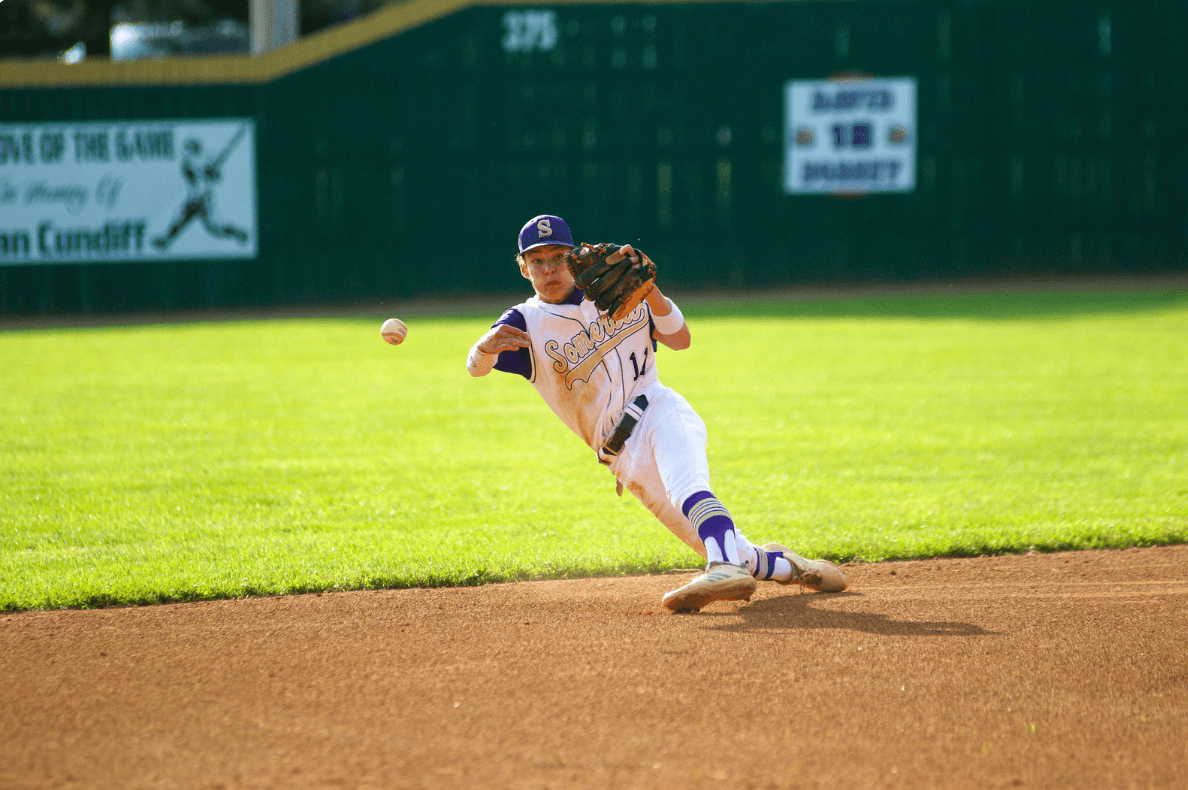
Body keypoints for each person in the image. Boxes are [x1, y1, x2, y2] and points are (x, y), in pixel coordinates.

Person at [466, 214, 847, 612]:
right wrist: (486, 347)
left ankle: (721, 566)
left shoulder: (618, 289)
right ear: (524, 267)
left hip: (658, 410)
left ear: (575, 257)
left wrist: (651, 292)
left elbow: (680, 339)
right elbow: (475, 367)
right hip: (622, 459)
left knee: (688, 491)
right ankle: (794, 567)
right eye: (538, 260)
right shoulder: (525, 322)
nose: (549, 269)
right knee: (734, 550)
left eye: (558, 257)